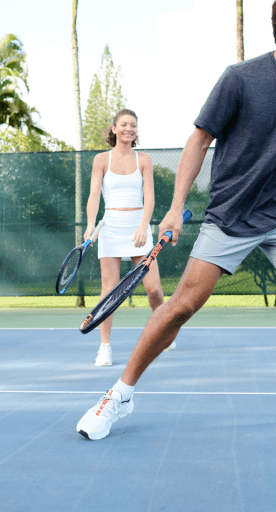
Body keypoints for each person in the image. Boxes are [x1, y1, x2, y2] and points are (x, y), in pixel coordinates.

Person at [77, 0, 276, 440]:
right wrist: (175, 208)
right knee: (180, 306)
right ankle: (118, 397)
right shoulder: (241, 78)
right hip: (230, 214)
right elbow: (198, 140)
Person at [83, 109, 174, 366]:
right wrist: (91, 224)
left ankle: (162, 334)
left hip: (138, 227)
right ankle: (105, 347)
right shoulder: (101, 160)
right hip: (110, 228)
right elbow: (93, 196)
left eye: (133, 125)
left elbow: (150, 196)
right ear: (113, 129)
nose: (128, 128)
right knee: (108, 290)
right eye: (123, 124)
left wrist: (144, 227)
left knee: (154, 290)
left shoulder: (144, 159)